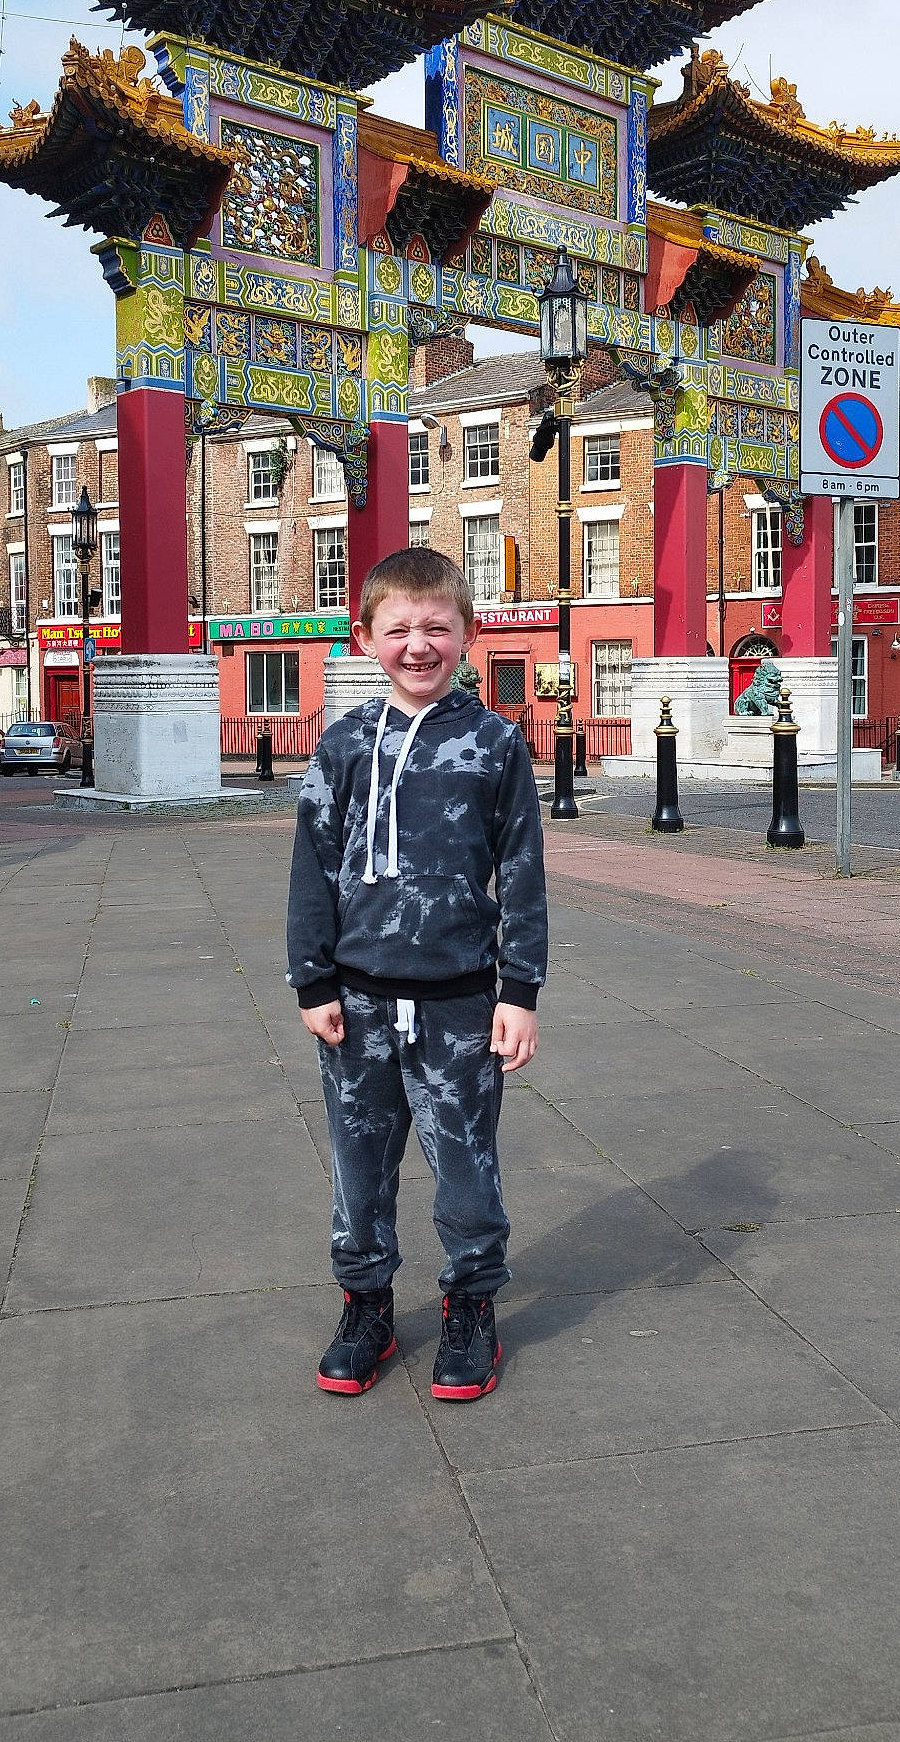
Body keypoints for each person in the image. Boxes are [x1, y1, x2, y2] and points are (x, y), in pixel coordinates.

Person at [288, 547, 547, 1402]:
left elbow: (520, 873)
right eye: (399, 628)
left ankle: (470, 1305)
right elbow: (313, 869)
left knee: (466, 1168)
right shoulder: (343, 745)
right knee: (358, 1167)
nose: (419, 644)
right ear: (366, 638)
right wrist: (312, 981)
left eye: (438, 626)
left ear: (467, 633)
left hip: (461, 1005)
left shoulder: (495, 743)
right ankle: (365, 1303)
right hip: (357, 1004)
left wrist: (520, 991)